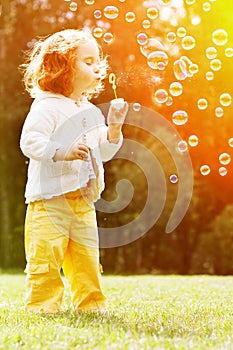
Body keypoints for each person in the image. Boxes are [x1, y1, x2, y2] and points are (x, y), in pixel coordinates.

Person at [20, 28, 128, 314]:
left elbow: (101, 152)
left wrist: (114, 129)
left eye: (97, 61)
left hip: (82, 201)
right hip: (49, 201)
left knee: (86, 258)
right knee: (45, 257)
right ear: (61, 67)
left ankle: (91, 305)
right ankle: (43, 307)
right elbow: (29, 141)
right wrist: (62, 151)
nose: (97, 67)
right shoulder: (47, 106)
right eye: (88, 61)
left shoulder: (89, 111)